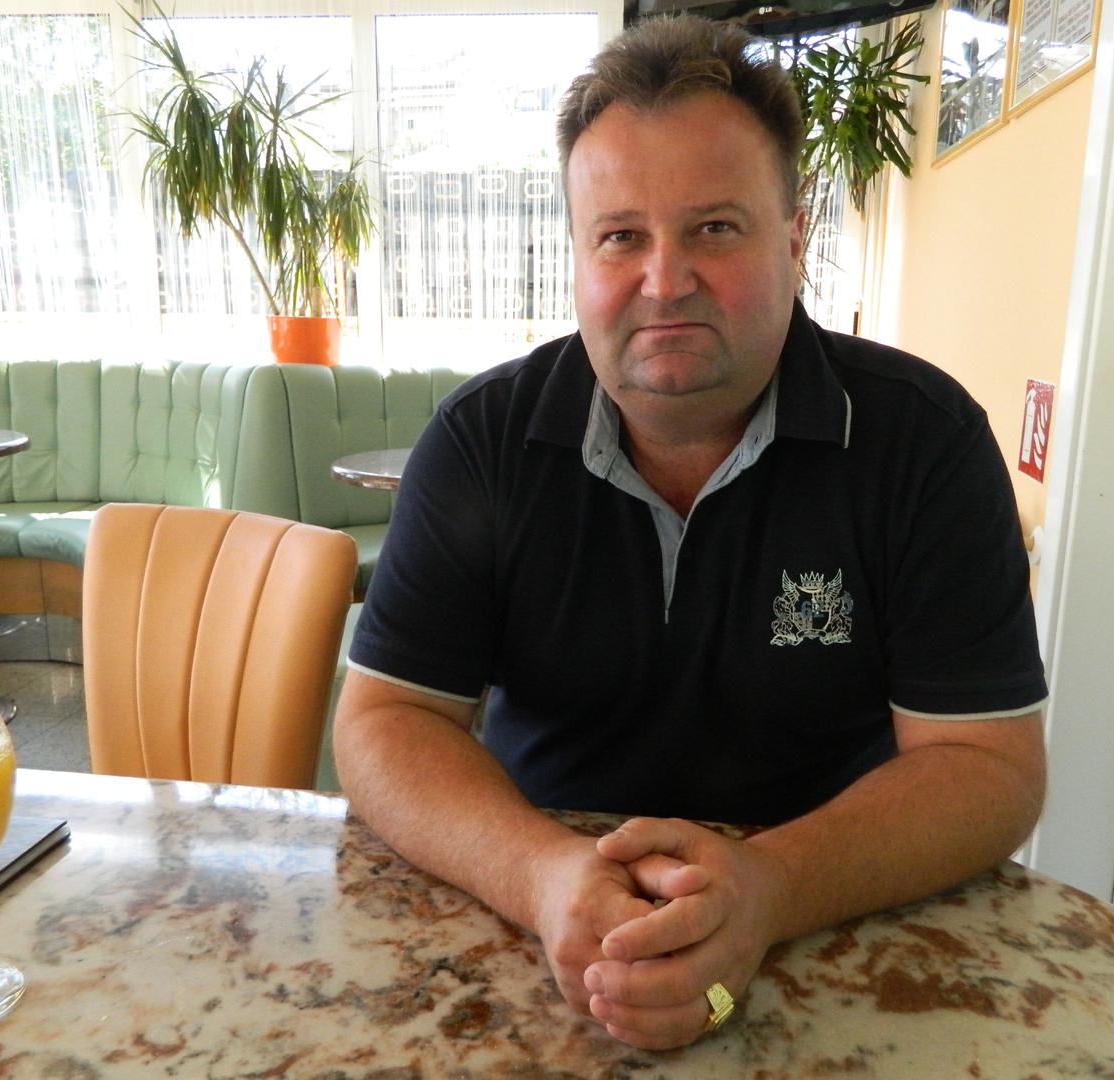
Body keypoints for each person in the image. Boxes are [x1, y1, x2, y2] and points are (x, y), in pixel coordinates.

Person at [334, 14, 1047, 1051]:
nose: (664, 280)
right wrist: (540, 875)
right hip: (539, 925)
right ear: (577, 256)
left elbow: (989, 766)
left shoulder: (923, 443)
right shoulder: (480, 440)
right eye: (620, 235)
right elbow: (384, 720)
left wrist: (769, 887)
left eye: (714, 227)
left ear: (793, 238)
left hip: (830, 923)